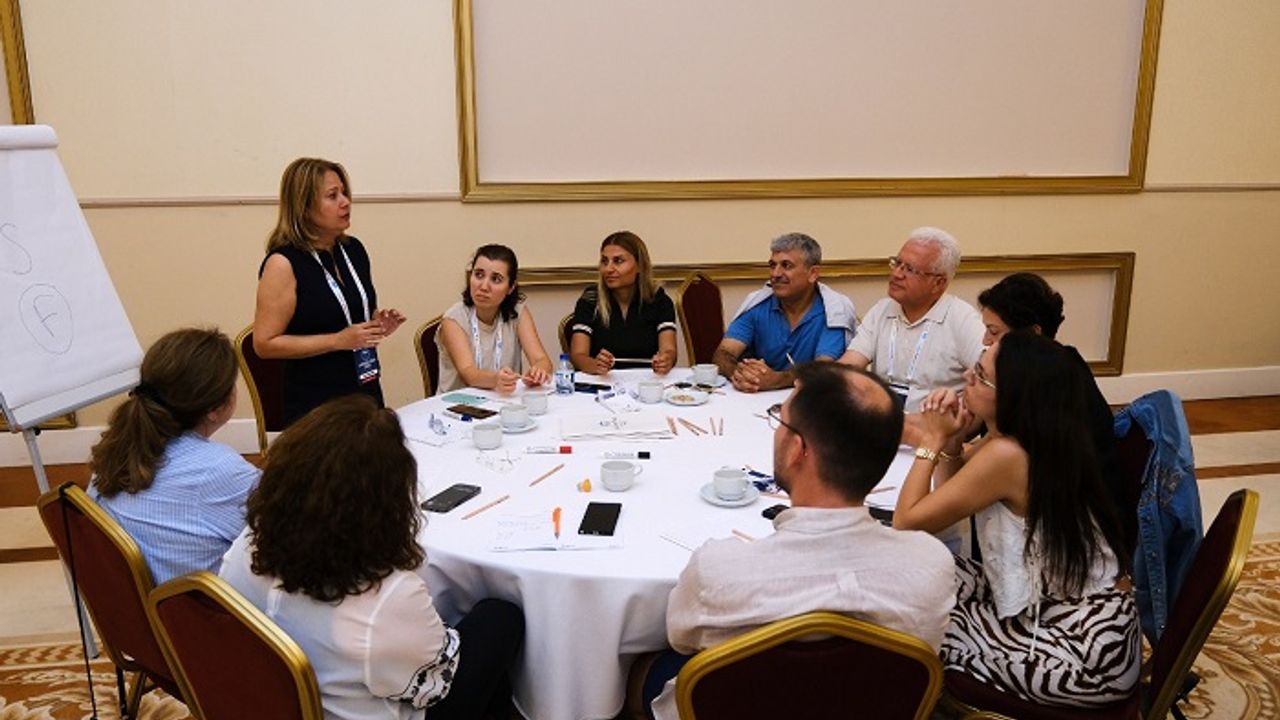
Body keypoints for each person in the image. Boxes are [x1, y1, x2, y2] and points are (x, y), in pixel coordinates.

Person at [644, 362, 956, 720]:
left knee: (645, 666)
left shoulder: (718, 572)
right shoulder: (931, 565)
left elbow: (680, 637)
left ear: (797, 449)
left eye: (781, 420)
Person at [220, 395, 524, 720]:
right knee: (500, 617)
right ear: (385, 503)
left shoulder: (246, 544)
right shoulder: (386, 595)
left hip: (267, 701)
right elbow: (434, 686)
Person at [893, 332, 1138, 708]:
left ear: (1011, 396)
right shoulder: (1027, 439)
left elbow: (907, 521)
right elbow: (952, 495)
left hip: (1085, 650)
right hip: (1088, 615)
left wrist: (932, 440)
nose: (967, 377)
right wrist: (954, 441)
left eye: (980, 375)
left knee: (916, 626)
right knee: (929, 571)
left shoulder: (1008, 455)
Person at [89, 328, 258, 585]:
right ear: (216, 408)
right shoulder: (219, 470)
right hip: (208, 607)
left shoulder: (115, 447)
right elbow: (294, 535)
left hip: (151, 603)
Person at [253, 157, 406, 427]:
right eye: (332, 196)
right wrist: (337, 341)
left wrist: (375, 325)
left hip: (365, 388)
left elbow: (346, 313)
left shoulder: (353, 250)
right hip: (316, 403)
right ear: (304, 207)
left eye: (344, 193)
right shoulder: (283, 263)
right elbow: (264, 344)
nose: (345, 202)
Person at [839, 227, 985, 442]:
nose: (896, 274)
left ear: (938, 283)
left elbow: (989, 382)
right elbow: (850, 364)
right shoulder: (882, 309)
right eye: (897, 263)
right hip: (882, 434)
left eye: (910, 269)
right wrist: (822, 382)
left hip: (936, 440)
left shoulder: (962, 319)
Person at [712, 233, 856, 393]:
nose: (775, 274)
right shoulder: (757, 304)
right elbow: (723, 353)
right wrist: (740, 373)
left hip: (811, 398)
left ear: (813, 273)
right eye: (772, 265)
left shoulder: (834, 311)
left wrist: (778, 380)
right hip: (756, 396)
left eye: (786, 265)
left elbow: (823, 368)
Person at [436, 244, 553, 394]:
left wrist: (539, 372)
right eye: (479, 275)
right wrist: (495, 380)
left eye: (496, 279)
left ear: (511, 287)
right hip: (459, 403)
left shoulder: (518, 312)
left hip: (503, 400)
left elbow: (541, 359)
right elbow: (468, 373)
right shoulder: (454, 319)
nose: (484, 286)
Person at [569, 231, 677, 375]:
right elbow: (578, 355)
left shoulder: (659, 301)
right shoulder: (590, 300)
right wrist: (595, 365)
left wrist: (666, 360)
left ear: (640, 266)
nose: (608, 269)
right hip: (604, 381)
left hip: (648, 381)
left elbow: (669, 350)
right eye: (604, 261)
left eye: (618, 261)